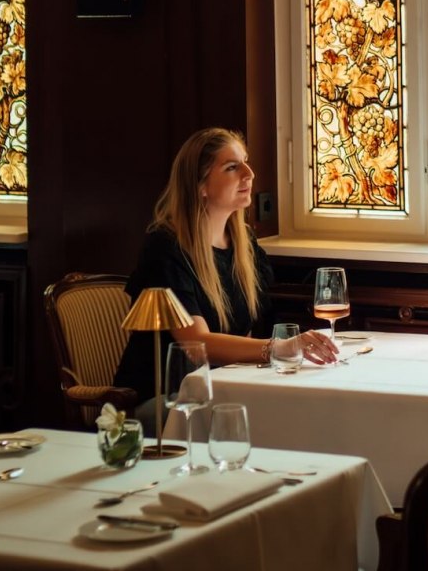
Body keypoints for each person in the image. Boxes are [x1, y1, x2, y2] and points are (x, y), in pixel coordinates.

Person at [114, 127, 338, 423]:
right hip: (163, 399)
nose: (249, 173)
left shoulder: (242, 243)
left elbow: (241, 335)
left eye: (245, 162)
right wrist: (280, 348)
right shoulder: (166, 247)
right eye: (232, 167)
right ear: (200, 185)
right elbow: (197, 346)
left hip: (218, 387)